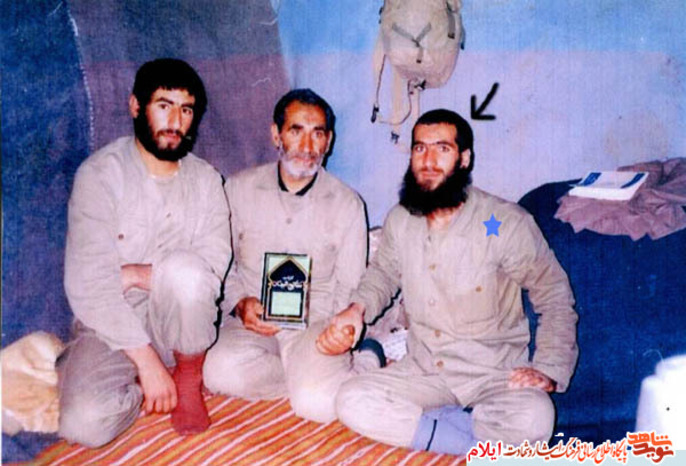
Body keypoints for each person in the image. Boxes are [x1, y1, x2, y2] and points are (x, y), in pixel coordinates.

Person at [319, 109, 578, 455]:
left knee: (535, 418)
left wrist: (548, 368)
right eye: (420, 148)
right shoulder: (400, 220)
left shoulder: (505, 223)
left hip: (494, 374)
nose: (428, 161)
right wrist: (357, 308)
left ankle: (436, 426)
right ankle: (470, 444)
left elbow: (554, 295)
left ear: (464, 158)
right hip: (425, 369)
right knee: (351, 399)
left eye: (442, 148)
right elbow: (382, 273)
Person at [58, 58, 231, 447]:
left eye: (186, 110)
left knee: (188, 274)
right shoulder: (99, 175)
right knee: (83, 425)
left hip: (180, 323)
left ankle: (188, 377)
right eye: (164, 105)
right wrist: (147, 363)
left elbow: (211, 268)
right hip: (110, 320)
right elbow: (89, 284)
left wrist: (135, 273)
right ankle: (142, 378)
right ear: (136, 106)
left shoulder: (207, 181)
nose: (175, 121)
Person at [203, 89, 384, 423]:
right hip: (254, 324)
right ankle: (307, 377)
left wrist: (334, 334)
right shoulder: (238, 190)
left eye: (318, 134)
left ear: (328, 141)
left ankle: (366, 359)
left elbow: (350, 285)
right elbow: (220, 265)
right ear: (276, 135)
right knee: (218, 372)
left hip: (315, 324)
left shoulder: (347, 204)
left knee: (317, 406)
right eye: (296, 131)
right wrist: (240, 303)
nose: (307, 146)